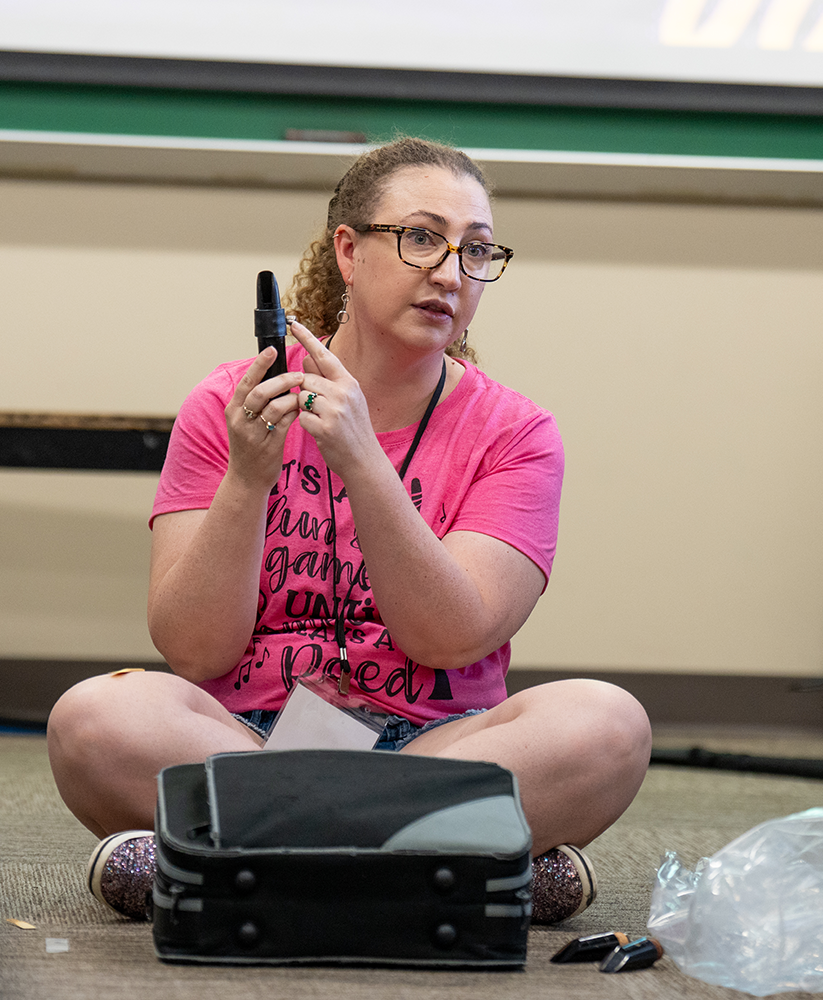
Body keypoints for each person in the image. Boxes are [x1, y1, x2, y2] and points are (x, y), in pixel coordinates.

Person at [47, 136, 652, 925]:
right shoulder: (228, 404)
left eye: (476, 251)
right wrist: (247, 478)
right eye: (422, 238)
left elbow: (449, 635)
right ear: (348, 252)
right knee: (93, 720)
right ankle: (445, 871)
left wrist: (364, 460)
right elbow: (193, 651)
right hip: (249, 742)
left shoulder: (517, 434)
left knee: (608, 726)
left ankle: (235, 866)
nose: (451, 273)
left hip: (440, 747)